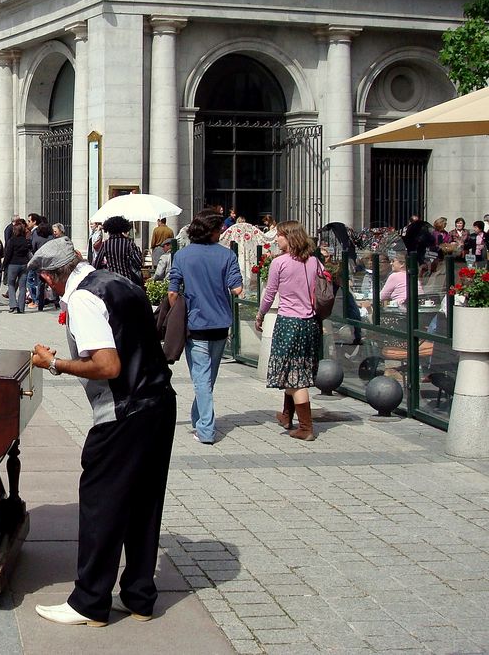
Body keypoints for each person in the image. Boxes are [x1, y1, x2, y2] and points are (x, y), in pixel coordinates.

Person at [27, 238, 176, 628]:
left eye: (44, 281)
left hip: (124, 411)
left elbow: (107, 365)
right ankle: (139, 597)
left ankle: (90, 602)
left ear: (49, 276)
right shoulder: (120, 280)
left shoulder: (83, 299)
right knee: (144, 503)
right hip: (159, 402)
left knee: (100, 504)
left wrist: (54, 362)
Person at [167, 210, 243, 445]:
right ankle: (200, 420)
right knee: (208, 378)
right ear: (212, 231)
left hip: (195, 322)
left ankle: (205, 428)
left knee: (201, 377)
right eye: (219, 229)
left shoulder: (183, 256)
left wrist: (179, 311)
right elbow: (237, 289)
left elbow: (172, 291)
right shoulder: (227, 255)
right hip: (220, 322)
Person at [255, 220, 324, 442]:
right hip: (310, 323)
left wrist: (261, 314)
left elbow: (269, 293)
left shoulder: (279, 263)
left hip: (289, 322)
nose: (276, 239)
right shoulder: (314, 261)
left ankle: (306, 427)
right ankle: (286, 415)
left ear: (290, 237)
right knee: (295, 369)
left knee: (295, 378)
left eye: (280, 235)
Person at [93, 216, 144, 288]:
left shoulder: (106, 244)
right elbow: (138, 262)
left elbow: (97, 264)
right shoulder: (128, 243)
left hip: (112, 281)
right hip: (127, 280)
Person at [3, 220, 32, 313]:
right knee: (22, 286)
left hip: (13, 264)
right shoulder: (26, 241)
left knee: (11, 284)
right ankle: (21, 307)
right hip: (24, 264)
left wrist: (4, 265)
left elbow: (8, 254)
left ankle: (13, 305)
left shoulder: (12, 240)